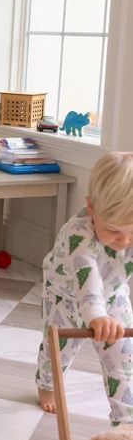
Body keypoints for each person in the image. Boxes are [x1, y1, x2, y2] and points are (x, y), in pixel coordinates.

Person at [36, 152, 133, 425]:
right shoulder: (78, 235)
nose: (124, 240)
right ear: (91, 208)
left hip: (114, 295)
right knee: (58, 349)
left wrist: (106, 314)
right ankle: (46, 383)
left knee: (123, 358)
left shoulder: (127, 233)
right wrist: (96, 317)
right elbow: (86, 278)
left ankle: (125, 424)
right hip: (64, 296)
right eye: (113, 230)